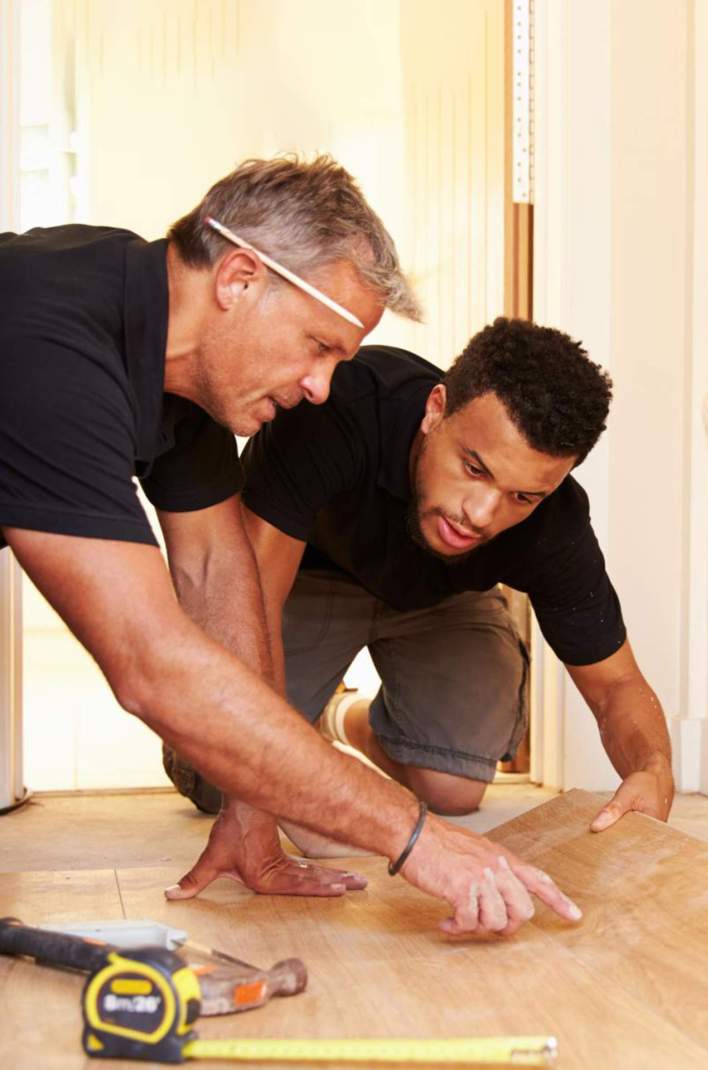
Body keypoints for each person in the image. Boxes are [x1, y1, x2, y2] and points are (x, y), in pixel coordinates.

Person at [0, 158, 580, 938]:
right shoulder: (49, 347)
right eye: (318, 346)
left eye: (340, 361)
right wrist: (414, 836)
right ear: (239, 278)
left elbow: (216, 569)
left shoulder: (176, 362)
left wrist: (253, 810)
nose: (321, 387)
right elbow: (152, 663)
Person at [167, 318, 674, 867]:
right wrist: (303, 792)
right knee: (221, 781)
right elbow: (249, 606)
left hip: (442, 599)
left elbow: (617, 684)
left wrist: (652, 769)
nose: (480, 514)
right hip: (309, 578)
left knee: (451, 789)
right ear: (436, 409)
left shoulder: (555, 524)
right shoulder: (338, 410)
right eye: (473, 468)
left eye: (522, 496)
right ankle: (297, 728)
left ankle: (338, 717)